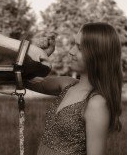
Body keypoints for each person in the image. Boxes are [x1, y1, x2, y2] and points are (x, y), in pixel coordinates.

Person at [27, 22, 123, 155]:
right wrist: (37, 55)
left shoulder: (97, 103)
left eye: (79, 48)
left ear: (97, 55)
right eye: (73, 45)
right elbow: (26, 80)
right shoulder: (67, 84)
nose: (71, 51)